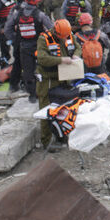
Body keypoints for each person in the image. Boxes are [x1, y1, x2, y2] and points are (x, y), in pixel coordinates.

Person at [4, 0, 53, 101]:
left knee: (27, 71)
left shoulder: (17, 13)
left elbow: (7, 29)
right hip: (39, 46)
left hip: (23, 47)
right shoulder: (40, 15)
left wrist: (14, 39)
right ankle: (44, 90)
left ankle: (32, 95)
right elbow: (51, 28)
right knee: (43, 67)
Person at [34, 18, 77, 148]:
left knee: (63, 109)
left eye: (65, 37)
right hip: (48, 80)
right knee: (46, 110)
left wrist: (76, 55)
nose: (64, 39)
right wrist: (61, 60)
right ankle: (46, 141)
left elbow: (78, 47)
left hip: (64, 78)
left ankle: (61, 136)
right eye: (61, 37)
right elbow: (42, 58)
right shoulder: (44, 39)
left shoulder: (69, 35)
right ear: (56, 32)